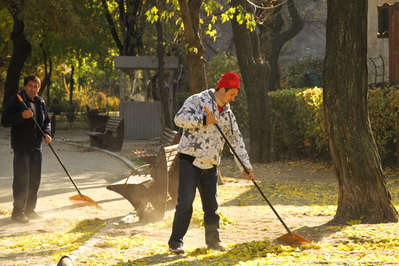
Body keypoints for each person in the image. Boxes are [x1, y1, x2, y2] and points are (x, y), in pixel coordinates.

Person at [168, 72, 255, 254]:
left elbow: (236, 141)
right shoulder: (197, 100)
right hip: (189, 160)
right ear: (222, 89)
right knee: (186, 202)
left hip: (211, 164)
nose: (232, 99)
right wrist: (203, 120)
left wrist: (245, 167)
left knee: (212, 207)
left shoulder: (228, 114)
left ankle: (213, 242)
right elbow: (179, 119)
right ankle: (176, 242)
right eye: (231, 94)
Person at [1, 74, 52, 223]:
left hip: (36, 146)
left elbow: (46, 121)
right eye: (30, 85)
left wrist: (47, 133)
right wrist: (22, 115)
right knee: (22, 180)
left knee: (35, 180)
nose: (33, 89)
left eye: (36, 86)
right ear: (25, 86)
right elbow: (4, 120)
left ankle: (30, 210)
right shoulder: (17, 100)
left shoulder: (40, 102)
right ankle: (17, 212)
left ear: (39, 88)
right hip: (21, 146)